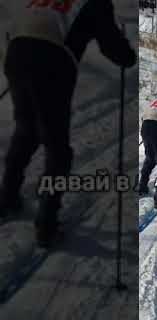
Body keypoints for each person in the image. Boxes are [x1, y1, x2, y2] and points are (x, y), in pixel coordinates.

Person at [0, 0, 136, 247]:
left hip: (17, 53)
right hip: (52, 61)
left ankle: (7, 199)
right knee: (57, 147)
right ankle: (47, 226)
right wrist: (127, 55)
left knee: (25, 130)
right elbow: (112, 47)